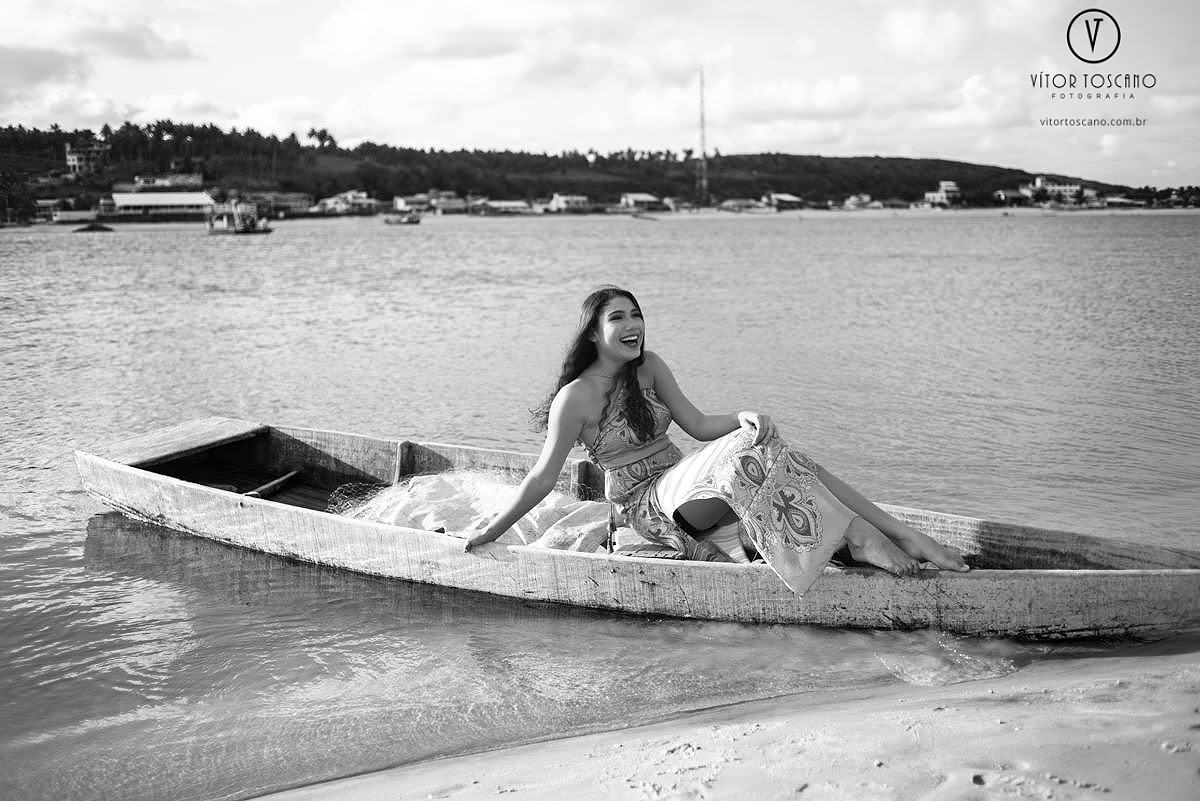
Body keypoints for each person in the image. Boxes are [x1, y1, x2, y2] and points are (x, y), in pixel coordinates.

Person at [464, 286, 968, 594]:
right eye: (618, 317)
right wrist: (494, 529)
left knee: (779, 451)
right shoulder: (574, 398)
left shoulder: (652, 367)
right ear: (593, 334)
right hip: (650, 509)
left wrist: (743, 415)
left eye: (636, 314)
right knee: (742, 458)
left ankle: (890, 532)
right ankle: (859, 536)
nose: (633, 324)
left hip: (691, 489)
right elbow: (542, 477)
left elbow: (700, 426)